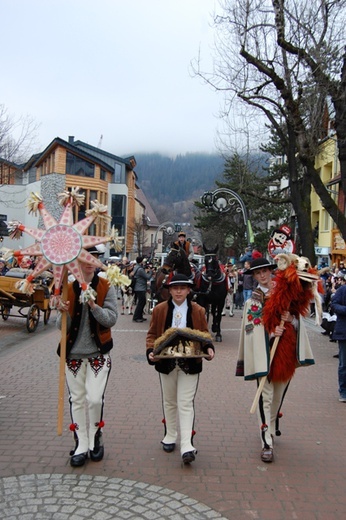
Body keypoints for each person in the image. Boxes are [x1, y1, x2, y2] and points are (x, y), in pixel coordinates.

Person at [236, 257, 315, 463]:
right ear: (253, 276)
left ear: (271, 271)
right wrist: (271, 332)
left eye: (265, 271)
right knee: (266, 397)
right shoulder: (252, 300)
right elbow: (250, 329)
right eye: (257, 273)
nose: (262, 275)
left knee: (277, 399)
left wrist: (291, 320)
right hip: (265, 355)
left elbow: (299, 320)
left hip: (285, 353)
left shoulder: (286, 294)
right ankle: (266, 441)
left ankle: (271, 426)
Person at [56, 246, 118, 467]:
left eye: (94, 258)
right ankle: (81, 443)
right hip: (72, 353)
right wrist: (62, 311)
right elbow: (61, 327)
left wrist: (93, 306)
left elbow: (111, 319)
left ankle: (95, 437)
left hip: (97, 354)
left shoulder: (105, 286)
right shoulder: (68, 287)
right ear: (78, 261)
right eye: (85, 258)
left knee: (94, 399)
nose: (90, 262)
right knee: (77, 400)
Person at [146, 273, 215, 464]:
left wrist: (209, 347)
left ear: (188, 290)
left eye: (182, 288)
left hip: (190, 362)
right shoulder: (159, 310)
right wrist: (150, 350)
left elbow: (204, 334)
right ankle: (170, 434)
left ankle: (187, 445)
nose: (178, 291)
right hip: (166, 362)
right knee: (169, 401)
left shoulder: (197, 310)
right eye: (175, 288)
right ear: (169, 290)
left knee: (185, 402)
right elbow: (152, 334)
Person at [331, 274, 346, 402]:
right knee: (344, 364)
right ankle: (343, 391)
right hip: (344, 332)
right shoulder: (343, 290)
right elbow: (334, 304)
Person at [132, 256, 152, 322]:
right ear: (141, 261)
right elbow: (147, 277)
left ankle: (140, 316)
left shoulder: (136, 267)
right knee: (141, 303)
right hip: (140, 288)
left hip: (138, 287)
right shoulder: (140, 269)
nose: (144, 262)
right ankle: (136, 317)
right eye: (143, 261)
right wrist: (151, 271)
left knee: (142, 302)